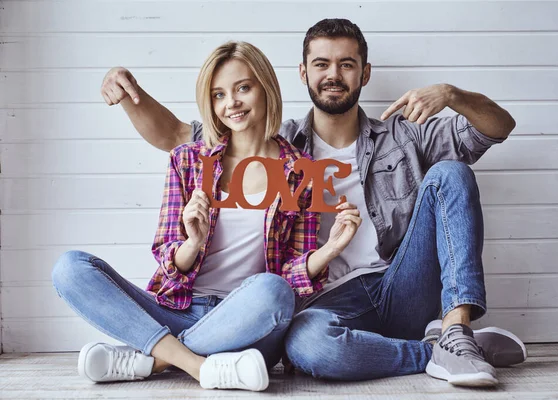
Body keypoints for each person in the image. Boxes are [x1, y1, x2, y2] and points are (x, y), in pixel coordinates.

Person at [100, 19, 527, 387]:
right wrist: (128, 91)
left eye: (347, 64)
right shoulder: (275, 147)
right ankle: (438, 352)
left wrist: (452, 95)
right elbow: (176, 135)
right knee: (307, 348)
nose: (333, 74)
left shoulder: (404, 136)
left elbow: (497, 128)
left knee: (451, 173)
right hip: (323, 301)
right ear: (303, 73)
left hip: (399, 283)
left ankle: (456, 329)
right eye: (322, 64)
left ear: (365, 73)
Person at [52, 41, 361, 392]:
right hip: (180, 308)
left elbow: (288, 280)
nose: (232, 103)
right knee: (70, 268)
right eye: (219, 95)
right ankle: (199, 366)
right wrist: (193, 243)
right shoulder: (188, 161)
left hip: (248, 321)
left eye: (243, 88)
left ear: (266, 88)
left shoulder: (299, 171)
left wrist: (328, 251)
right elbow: (168, 256)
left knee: (273, 291)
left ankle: (155, 358)